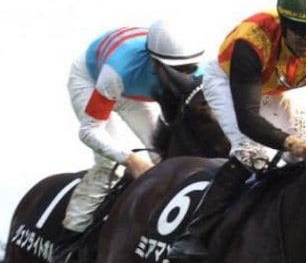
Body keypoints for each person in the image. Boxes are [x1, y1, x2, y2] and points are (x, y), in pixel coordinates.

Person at [166, 0, 306, 263]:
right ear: (283, 22)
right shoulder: (252, 43)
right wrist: (289, 141)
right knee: (252, 152)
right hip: (229, 81)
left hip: (274, 88)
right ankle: (193, 235)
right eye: (299, 31)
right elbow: (248, 120)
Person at [61, 20, 205, 242]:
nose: (184, 77)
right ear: (155, 62)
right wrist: (131, 160)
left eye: (189, 69)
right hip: (93, 80)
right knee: (110, 163)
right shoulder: (118, 70)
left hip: (135, 91)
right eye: (176, 71)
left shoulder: (199, 72)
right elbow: (89, 131)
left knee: (166, 157)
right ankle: (71, 235)